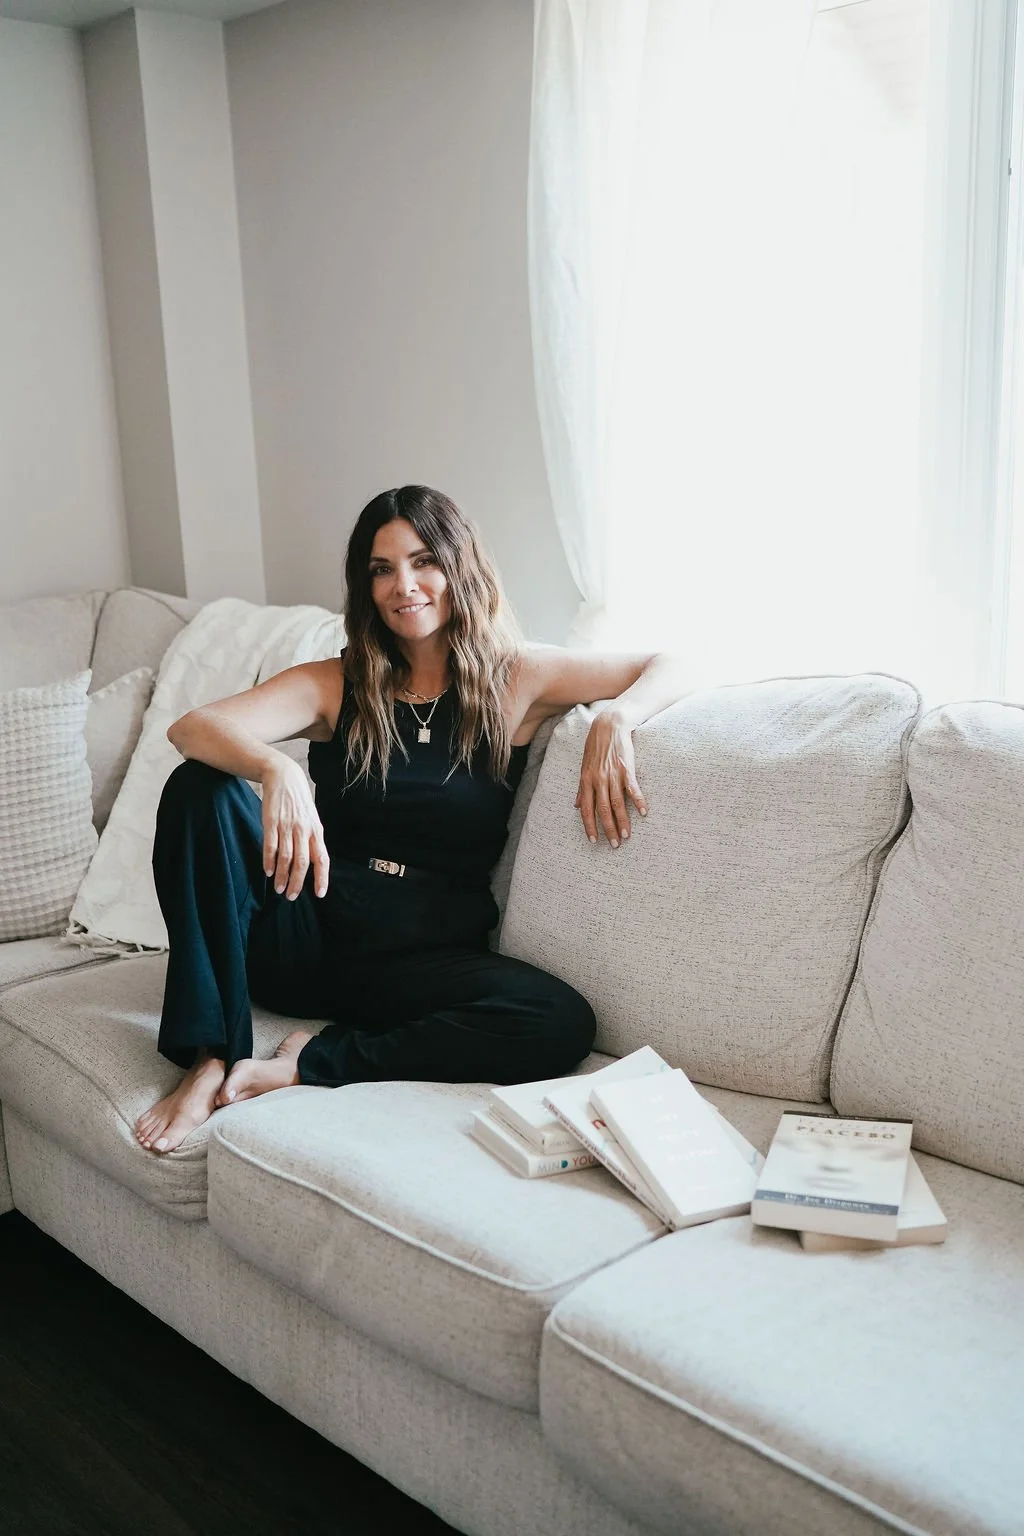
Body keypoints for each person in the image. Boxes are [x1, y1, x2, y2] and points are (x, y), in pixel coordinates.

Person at [133, 485, 691, 1154]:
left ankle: (311, 1064)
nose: (405, 585)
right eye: (382, 568)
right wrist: (275, 769)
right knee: (202, 786)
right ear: (365, 585)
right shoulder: (336, 684)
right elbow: (195, 729)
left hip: (417, 962)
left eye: (424, 561)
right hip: (306, 930)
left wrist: (617, 717)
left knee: (558, 1021)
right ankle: (211, 1059)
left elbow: (677, 660)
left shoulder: (516, 680)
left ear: (460, 567)